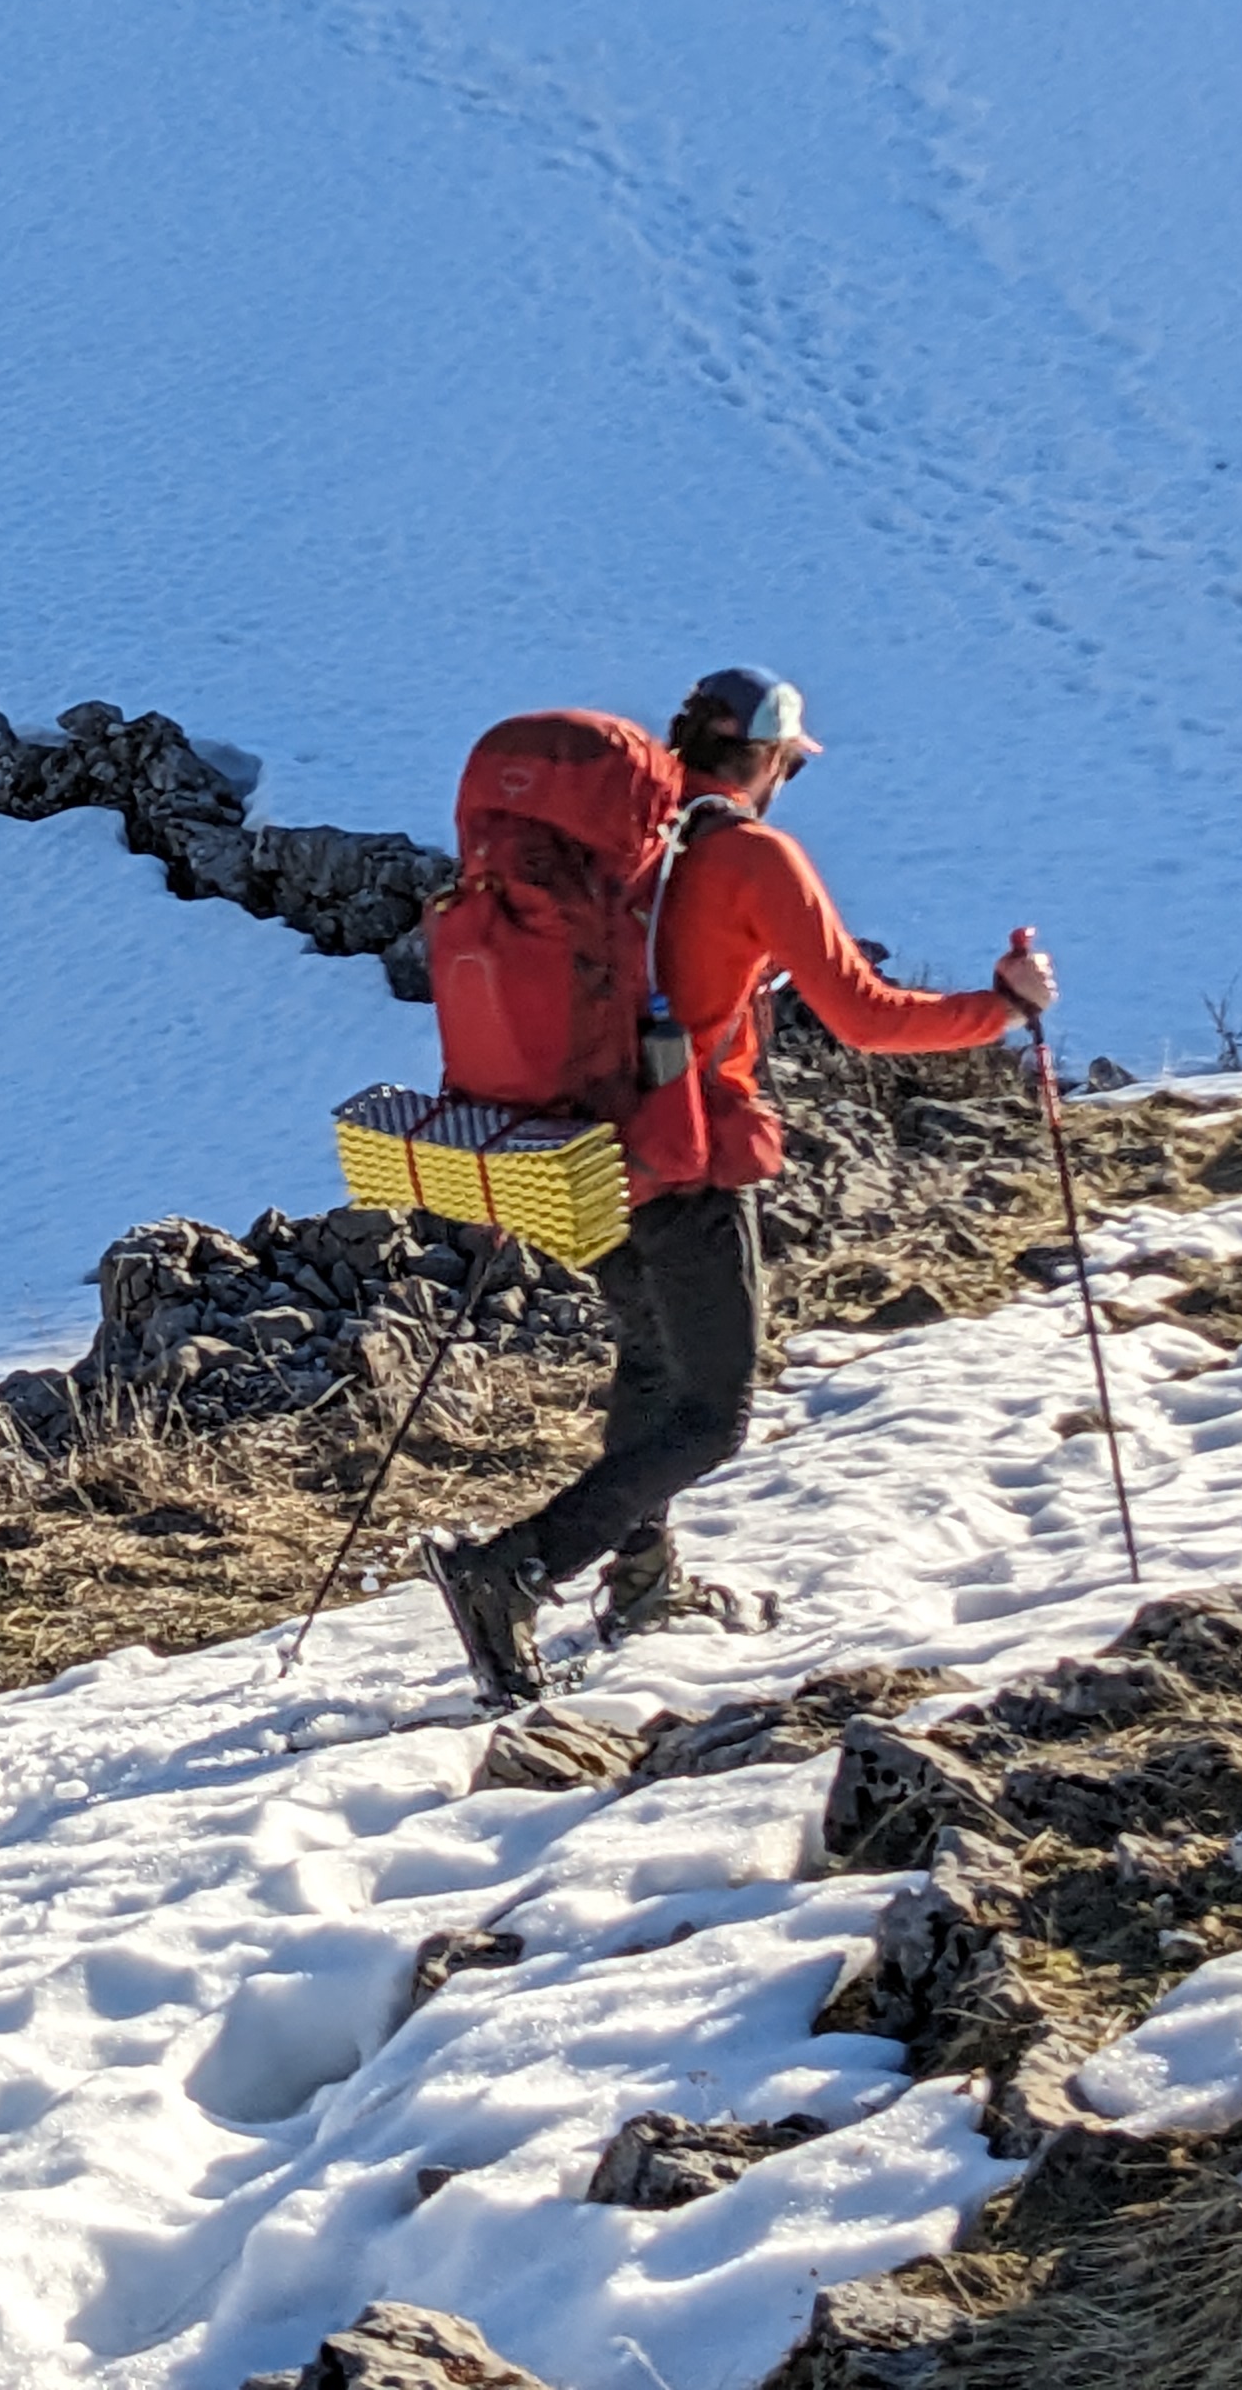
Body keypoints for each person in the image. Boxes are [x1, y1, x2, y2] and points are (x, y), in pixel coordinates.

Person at [425, 669, 1054, 1707]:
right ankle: (512, 1573)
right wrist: (998, 1008)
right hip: (690, 1156)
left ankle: (643, 1583)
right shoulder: (749, 855)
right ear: (769, 761)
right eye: (790, 765)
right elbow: (865, 1016)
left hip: (582, 1152)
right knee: (713, 1416)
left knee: (653, 1368)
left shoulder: (619, 851)